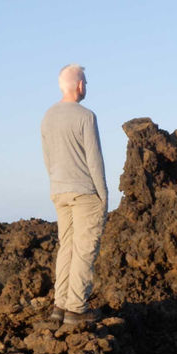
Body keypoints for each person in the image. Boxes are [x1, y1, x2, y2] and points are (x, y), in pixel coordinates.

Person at [40, 63, 109, 326]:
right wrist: (103, 196)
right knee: (83, 250)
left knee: (66, 248)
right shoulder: (86, 116)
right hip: (85, 193)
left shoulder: (47, 116)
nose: (86, 87)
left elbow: (48, 159)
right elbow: (94, 160)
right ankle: (76, 310)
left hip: (59, 192)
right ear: (79, 85)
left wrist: (57, 184)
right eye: (86, 83)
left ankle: (60, 307)